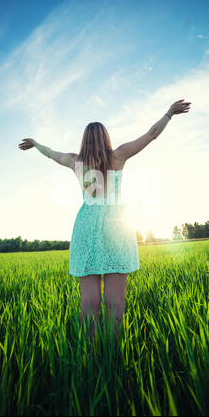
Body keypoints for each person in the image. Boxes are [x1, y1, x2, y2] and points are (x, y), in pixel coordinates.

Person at [18, 99, 191, 344]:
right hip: (116, 227)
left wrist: (35, 144)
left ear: (84, 140)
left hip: (87, 225)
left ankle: (91, 359)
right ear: (106, 138)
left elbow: (51, 154)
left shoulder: (75, 161)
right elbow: (151, 135)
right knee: (115, 304)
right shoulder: (118, 156)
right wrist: (168, 114)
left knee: (88, 304)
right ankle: (113, 357)